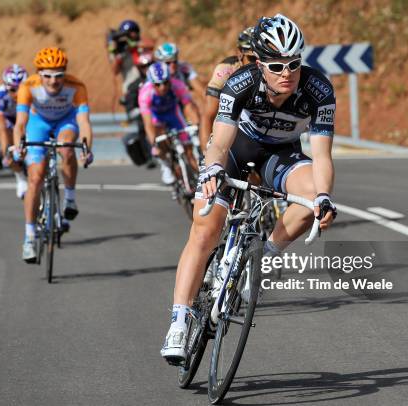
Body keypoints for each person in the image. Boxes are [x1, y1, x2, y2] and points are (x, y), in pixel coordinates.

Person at [160, 14, 338, 364]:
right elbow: (220, 142)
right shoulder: (240, 82)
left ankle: (261, 260)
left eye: (293, 63)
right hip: (236, 151)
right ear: (259, 63)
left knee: (308, 201)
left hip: (281, 154)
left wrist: (323, 197)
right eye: (276, 65)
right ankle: (179, 322)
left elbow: (322, 155)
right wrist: (211, 170)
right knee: (205, 228)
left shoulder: (318, 89)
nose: (286, 73)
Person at [13, 47, 94, 263]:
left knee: (67, 148)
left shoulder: (76, 86)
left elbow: (84, 123)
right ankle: (29, 238)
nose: (53, 81)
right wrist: (17, 146)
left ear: (65, 74)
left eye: (58, 75)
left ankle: (69, 199)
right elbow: (20, 123)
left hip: (65, 122)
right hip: (37, 123)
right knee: (35, 178)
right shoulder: (28, 86)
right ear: (39, 74)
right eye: (47, 76)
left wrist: (86, 148)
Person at [138, 62, 200, 185]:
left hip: (173, 114)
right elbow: (148, 123)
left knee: (189, 149)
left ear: (170, 79)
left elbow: (188, 106)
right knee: (160, 145)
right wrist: (154, 143)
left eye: (166, 82)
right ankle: (166, 164)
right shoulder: (145, 93)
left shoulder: (177, 85)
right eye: (158, 84)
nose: (162, 87)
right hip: (157, 119)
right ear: (151, 83)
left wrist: (196, 126)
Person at [200, 27, 257, 152]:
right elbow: (208, 115)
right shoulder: (226, 70)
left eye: (262, 57)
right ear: (239, 53)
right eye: (252, 58)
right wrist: (206, 153)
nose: (257, 64)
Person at [0, 64, 29, 199]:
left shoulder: (33, 92)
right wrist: (6, 152)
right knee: (9, 152)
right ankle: (20, 178)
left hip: (26, 118)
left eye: (21, 89)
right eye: (13, 90)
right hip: (9, 120)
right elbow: (1, 127)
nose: (18, 94)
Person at [107, 19, 143, 96]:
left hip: (145, 83)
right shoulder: (118, 50)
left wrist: (132, 45)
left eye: (133, 32)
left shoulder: (139, 45)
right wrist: (118, 55)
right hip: (130, 87)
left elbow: (150, 45)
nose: (133, 35)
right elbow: (115, 71)